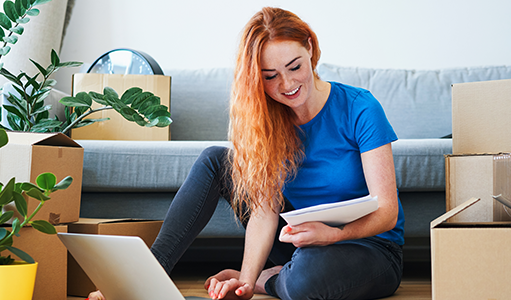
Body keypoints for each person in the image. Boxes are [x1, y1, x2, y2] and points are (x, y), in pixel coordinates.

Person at [88, 6, 404, 300]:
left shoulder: (360, 108)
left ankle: (274, 279)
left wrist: (332, 236)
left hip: (369, 248)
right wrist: (244, 285)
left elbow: (387, 211)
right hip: (298, 243)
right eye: (270, 76)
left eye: (294, 66)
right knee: (216, 160)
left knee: (306, 278)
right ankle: (142, 280)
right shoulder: (268, 120)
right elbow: (265, 209)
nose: (288, 83)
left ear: (310, 47)